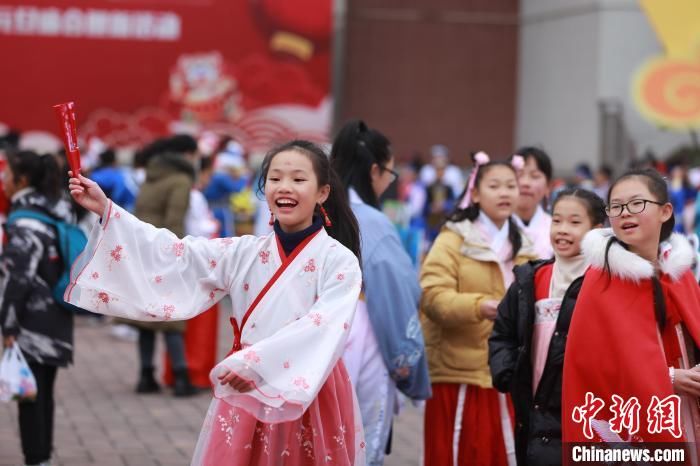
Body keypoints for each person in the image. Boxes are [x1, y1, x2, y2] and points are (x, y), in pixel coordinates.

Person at [66, 140, 365, 465]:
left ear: (323, 192)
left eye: (298, 179)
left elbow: (324, 324)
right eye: (275, 178)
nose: (285, 187)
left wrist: (256, 364)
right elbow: (176, 254)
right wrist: (106, 209)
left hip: (307, 388)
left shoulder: (339, 261)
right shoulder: (244, 252)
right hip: (242, 380)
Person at [562, 169, 700, 460]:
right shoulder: (602, 279)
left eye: (637, 203)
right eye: (617, 206)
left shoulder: (681, 273)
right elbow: (591, 366)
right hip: (636, 418)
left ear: (665, 211)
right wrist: (669, 377)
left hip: (688, 411)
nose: (625, 213)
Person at [419, 152, 536, 466]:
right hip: (459, 373)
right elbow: (431, 296)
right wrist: (479, 306)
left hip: (505, 372)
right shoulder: (452, 238)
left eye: (510, 186)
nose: (504, 193)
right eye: (494, 185)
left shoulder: (525, 243)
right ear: (475, 192)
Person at [330, 120, 431, 465]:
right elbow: (398, 297)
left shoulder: (314, 212)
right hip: (359, 335)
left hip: (303, 337)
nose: (389, 180)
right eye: (390, 172)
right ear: (375, 170)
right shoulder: (371, 222)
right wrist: (409, 364)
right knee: (359, 440)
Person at [488, 189, 605, 465]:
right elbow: (502, 332)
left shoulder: (603, 283)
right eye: (557, 220)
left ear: (597, 231)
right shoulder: (531, 278)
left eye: (575, 222)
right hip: (531, 410)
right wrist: (508, 371)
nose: (563, 230)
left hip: (582, 413)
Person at [0, 150, 76, 466]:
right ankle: (41, 456)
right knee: (42, 391)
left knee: (29, 395)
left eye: (7, 174)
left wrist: (8, 325)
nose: (2, 181)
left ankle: (36, 458)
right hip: (57, 315)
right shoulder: (55, 210)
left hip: (32, 318)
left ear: (22, 180)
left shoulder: (24, 221)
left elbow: (18, 279)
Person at [127, 134, 199, 397]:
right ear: (185, 155)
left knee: (147, 317)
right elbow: (174, 221)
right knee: (172, 317)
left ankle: (146, 376)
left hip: (144, 250)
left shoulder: (151, 177)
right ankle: (181, 377)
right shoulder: (180, 180)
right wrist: (179, 256)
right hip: (165, 254)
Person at [512, 147, 553, 259]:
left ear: (548, 186)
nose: (525, 183)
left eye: (535, 176)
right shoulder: (495, 225)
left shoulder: (555, 229)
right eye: (519, 175)